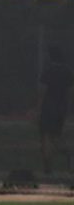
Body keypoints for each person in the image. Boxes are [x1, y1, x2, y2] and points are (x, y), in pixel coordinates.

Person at [36, 45, 73, 174]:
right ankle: (67, 153)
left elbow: (42, 90)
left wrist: (37, 108)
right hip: (61, 107)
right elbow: (69, 92)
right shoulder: (68, 72)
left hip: (48, 107)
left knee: (46, 136)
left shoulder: (48, 71)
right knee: (56, 136)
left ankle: (48, 166)